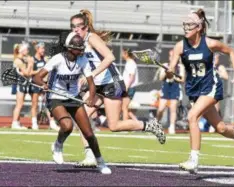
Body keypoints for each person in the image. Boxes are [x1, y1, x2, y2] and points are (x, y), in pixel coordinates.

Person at [69, 9, 166, 167]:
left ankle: (149, 125)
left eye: (79, 26)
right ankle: (90, 156)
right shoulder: (77, 42)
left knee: (113, 125)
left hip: (111, 83)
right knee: (82, 118)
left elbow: (110, 57)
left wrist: (91, 75)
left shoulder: (91, 38)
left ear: (86, 27)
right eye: (73, 27)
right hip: (98, 85)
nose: (75, 30)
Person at [166, 8, 234, 173]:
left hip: (211, 86)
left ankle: (193, 160)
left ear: (199, 27)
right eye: (185, 25)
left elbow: (231, 51)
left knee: (192, 116)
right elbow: (172, 69)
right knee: (220, 128)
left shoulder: (209, 43)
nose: (186, 28)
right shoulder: (180, 46)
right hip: (194, 90)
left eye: (190, 25)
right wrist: (170, 72)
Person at [33, 32, 111, 174]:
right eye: (79, 48)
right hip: (56, 97)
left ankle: (100, 162)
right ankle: (57, 145)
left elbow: (91, 83)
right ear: (70, 48)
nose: (82, 50)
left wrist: (91, 97)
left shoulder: (83, 60)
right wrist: (42, 84)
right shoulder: (57, 59)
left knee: (89, 133)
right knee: (67, 126)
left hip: (73, 97)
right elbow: (36, 77)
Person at [31, 41, 60, 131]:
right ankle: (34, 123)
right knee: (35, 104)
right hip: (35, 83)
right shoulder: (32, 59)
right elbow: (29, 72)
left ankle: (52, 123)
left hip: (44, 84)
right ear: (37, 49)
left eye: (44, 48)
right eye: (42, 48)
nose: (43, 50)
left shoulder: (45, 59)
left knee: (48, 104)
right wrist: (39, 71)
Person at [156, 49, 185, 134]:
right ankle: (156, 124)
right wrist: (167, 72)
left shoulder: (180, 67)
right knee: (161, 108)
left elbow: (182, 79)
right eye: (170, 55)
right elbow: (161, 78)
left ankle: (171, 126)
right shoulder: (165, 65)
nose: (171, 57)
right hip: (166, 87)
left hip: (175, 88)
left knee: (173, 108)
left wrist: (173, 76)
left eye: (173, 56)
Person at [11, 42, 34, 130]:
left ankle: (17, 122)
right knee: (19, 104)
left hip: (22, 84)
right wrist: (30, 64)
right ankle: (14, 123)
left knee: (20, 104)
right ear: (22, 50)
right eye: (27, 49)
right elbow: (27, 73)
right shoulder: (18, 60)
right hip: (19, 84)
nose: (28, 51)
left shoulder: (21, 60)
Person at [121, 48, 139, 121]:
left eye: (123, 53)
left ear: (126, 54)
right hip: (128, 87)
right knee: (125, 108)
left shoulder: (130, 63)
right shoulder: (129, 62)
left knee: (124, 107)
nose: (121, 54)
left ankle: (125, 126)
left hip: (129, 88)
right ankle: (138, 123)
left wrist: (126, 87)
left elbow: (132, 77)